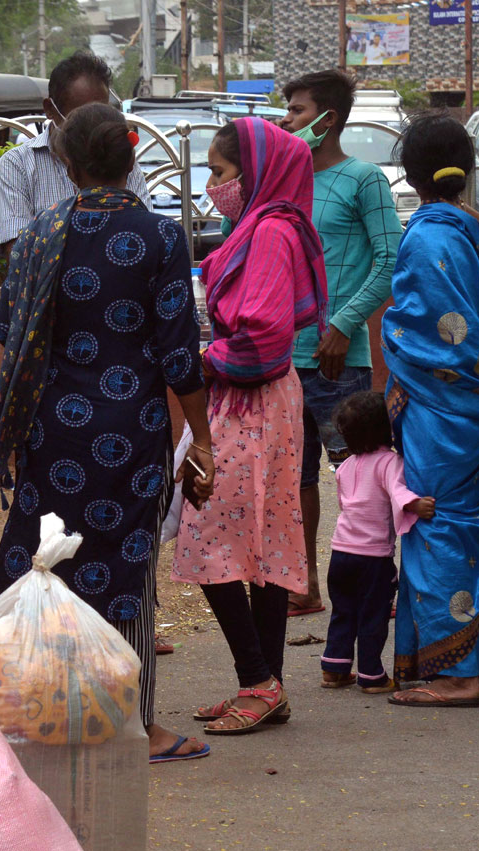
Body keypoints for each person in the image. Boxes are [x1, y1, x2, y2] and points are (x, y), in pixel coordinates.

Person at [0, 102, 215, 764]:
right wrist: (201, 437)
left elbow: (9, 332)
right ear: (131, 156)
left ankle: (48, 713)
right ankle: (133, 727)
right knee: (127, 569)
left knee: (52, 568)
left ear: (66, 163)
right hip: (131, 431)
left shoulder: (36, 240)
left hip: (50, 432)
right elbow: (180, 355)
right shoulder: (161, 238)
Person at [172, 118, 328, 734]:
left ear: (254, 172)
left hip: (250, 398)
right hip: (262, 399)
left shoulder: (267, 232)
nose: (214, 185)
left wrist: (198, 363)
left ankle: (257, 678)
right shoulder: (267, 226)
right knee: (260, 535)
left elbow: (261, 336)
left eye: (220, 171)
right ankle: (267, 685)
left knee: (208, 528)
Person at [383, 114, 479, 708]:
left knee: (436, 526)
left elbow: (420, 330)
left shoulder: (425, 235)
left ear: (412, 176)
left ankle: (455, 673)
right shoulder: (477, 226)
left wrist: (392, 341)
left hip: (440, 410)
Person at [279, 69, 402, 618]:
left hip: (337, 359)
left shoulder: (364, 179)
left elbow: (390, 259)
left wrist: (345, 323)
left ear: (328, 120)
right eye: (287, 110)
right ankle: (303, 584)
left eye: (298, 111)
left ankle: (383, 583)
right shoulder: (285, 181)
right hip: (283, 355)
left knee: (361, 474)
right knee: (293, 479)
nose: (288, 120)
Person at [319, 391, 434, 693]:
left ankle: (334, 668)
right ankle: (372, 675)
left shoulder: (344, 466)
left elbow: (346, 504)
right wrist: (416, 505)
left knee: (343, 611)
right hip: (372, 558)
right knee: (374, 615)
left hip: (340, 552)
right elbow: (398, 493)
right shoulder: (390, 462)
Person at [0, 51, 150, 256]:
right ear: (50, 109)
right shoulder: (17, 165)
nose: (91, 127)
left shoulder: (118, 161)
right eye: (79, 117)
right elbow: (17, 252)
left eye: (100, 114)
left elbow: (145, 235)